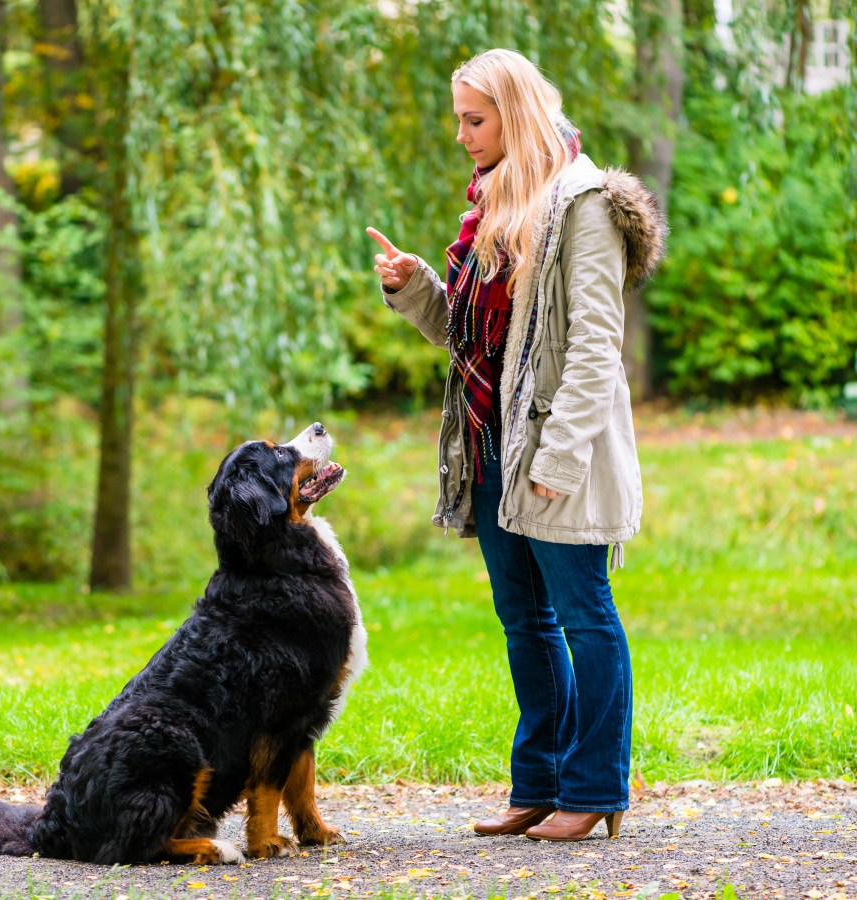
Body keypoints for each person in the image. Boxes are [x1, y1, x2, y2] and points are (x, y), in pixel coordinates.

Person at [366, 48, 665, 842]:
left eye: (475, 118)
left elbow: (598, 345)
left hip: (556, 452)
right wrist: (414, 286)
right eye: (459, 119)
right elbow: (470, 338)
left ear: (516, 112)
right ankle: (539, 782)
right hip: (490, 443)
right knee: (524, 620)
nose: (462, 135)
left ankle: (597, 786)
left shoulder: (585, 204)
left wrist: (558, 459)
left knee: (583, 612)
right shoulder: (494, 205)